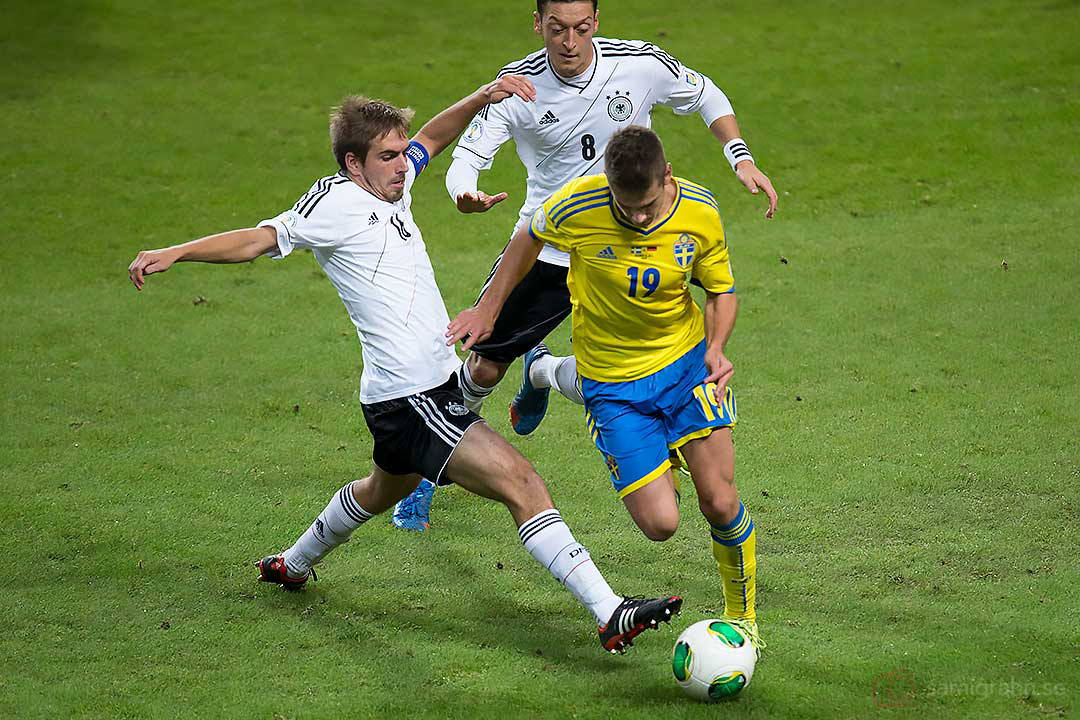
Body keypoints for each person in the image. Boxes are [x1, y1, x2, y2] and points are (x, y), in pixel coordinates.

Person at [126, 81, 681, 655]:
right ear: (353, 164)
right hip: (410, 400)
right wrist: (177, 251)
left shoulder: (394, 187)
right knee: (523, 482)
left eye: (399, 153)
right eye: (387, 157)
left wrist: (483, 97)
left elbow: (433, 138)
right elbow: (259, 239)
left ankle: (291, 565)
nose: (402, 164)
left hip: (416, 390)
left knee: (378, 489)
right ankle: (609, 610)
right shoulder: (334, 202)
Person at [391, 0, 777, 531]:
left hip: (628, 249)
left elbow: (706, 94)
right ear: (538, 24)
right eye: (557, 29)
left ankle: (545, 372)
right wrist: (465, 192)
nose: (569, 42)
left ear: (596, 23)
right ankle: (429, 472)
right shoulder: (517, 87)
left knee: (632, 370)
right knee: (482, 366)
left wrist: (740, 156)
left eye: (581, 28)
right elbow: (468, 156)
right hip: (548, 247)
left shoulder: (638, 64)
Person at [447, 125, 763, 654]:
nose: (637, 219)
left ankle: (744, 621)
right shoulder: (578, 205)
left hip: (686, 368)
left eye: (646, 207)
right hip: (612, 385)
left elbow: (721, 290)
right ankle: (547, 371)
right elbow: (528, 236)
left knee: (719, 499)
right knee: (661, 525)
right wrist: (488, 308)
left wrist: (717, 346)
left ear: (667, 177)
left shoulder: (700, 212)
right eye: (626, 206)